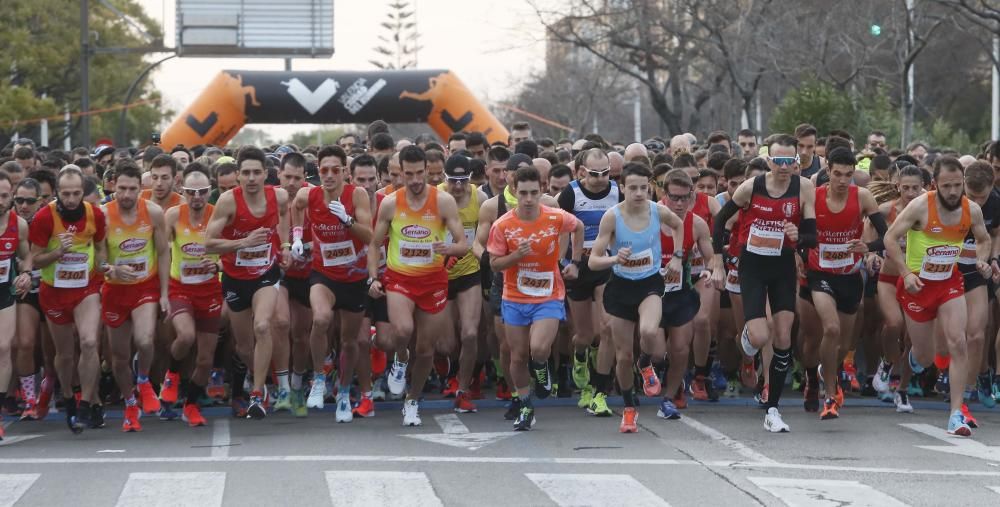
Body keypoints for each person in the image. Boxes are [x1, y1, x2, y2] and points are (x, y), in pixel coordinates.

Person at [710, 134, 817, 433]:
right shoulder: (752, 187)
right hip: (753, 266)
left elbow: (812, 236)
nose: (784, 167)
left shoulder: (804, 187)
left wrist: (799, 236)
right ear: (769, 160)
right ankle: (746, 347)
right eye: (778, 161)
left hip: (782, 267)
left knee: (782, 338)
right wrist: (717, 260)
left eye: (789, 161)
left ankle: (773, 409)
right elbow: (720, 222)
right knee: (759, 336)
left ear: (797, 162)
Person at [884, 156, 993, 437]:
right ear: (934, 185)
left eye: (958, 185)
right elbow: (889, 239)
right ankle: (909, 366)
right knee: (926, 356)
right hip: (917, 286)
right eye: (947, 186)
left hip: (948, 283)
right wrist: (907, 273)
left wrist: (982, 260)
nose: (954, 192)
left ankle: (956, 414)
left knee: (959, 342)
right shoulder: (920, 206)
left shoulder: (972, 210)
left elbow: (983, 239)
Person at [368, 145, 468, 426]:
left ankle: (412, 400)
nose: (413, 180)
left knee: (426, 349)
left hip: (433, 281)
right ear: (399, 173)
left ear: (427, 171)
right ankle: (400, 359)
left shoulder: (443, 201)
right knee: (403, 330)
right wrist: (373, 277)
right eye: (407, 174)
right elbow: (374, 245)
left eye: (418, 173)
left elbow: (463, 245)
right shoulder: (391, 203)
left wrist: (448, 247)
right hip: (400, 279)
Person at [588, 163, 687, 432]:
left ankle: (645, 364)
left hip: (649, 284)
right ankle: (629, 409)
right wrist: (613, 258)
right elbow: (593, 261)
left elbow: (679, 225)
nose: (639, 193)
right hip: (620, 288)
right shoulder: (612, 216)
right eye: (633, 188)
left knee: (650, 334)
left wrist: (677, 257)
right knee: (622, 357)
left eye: (644, 188)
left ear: (650, 188)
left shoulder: (658, 211)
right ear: (622, 188)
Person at [487, 165, 583, 430]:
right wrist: (515, 256)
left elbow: (579, 227)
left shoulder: (554, 217)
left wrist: (574, 262)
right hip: (514, 297)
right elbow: (494, 264)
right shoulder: (503, 225)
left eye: (533, 193)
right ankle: (526, 405)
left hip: (548, 294)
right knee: (517, 356)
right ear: (514, 192)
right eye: (523, 193)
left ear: (541, 191)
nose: (528, 199)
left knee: (539, 348)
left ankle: (541, 368)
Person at [206, 146, 291, 420]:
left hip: (265, 274)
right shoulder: (228, 201)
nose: (252, 178)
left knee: (263, 325)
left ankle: (256, 394)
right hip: (234, 278)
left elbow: (284, 217)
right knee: (243, 346)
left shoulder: (277, 196)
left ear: (266, 174)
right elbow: (208, 243)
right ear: (238, 176)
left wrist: (286, 244)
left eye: (257, 172)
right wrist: (243, 242)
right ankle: (261, 381)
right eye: (246, 173)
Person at [802, 148, 886, 420]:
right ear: (827, 170)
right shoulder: (813, 198)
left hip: (849, 276)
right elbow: (797, 233)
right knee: (831, 328)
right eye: (837, 174)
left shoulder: (862, 197)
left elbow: (887, 235)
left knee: (843, 343)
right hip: (819, 274)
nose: (842, 180)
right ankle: (827, 392)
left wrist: (869, 246)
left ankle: (823, 373)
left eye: (848, 175)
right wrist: (799, 254)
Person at [292, 145, 372, 423]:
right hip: (323, 274)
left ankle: (344, 393)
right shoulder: (309, 194)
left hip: (354, 277)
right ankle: (318, 378)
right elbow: (296, 207)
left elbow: (370, 236)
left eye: (334, 170)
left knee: (350, 341)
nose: (328, 175)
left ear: (345, 172)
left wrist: (347, 220)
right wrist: (298, 237)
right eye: (323, 170)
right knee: (322, 318)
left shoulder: (357, 195)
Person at [29, 166, 109, 433]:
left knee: (88, 341)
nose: (72, 199)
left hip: (85, 287)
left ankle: (86, 403)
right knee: (64, 354)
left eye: (76, 193)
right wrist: (57, 252)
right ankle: (68, 396)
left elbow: (99, 247)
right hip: (54, 291)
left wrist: (104, 265)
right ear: (57, 192)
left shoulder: (94, 214)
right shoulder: (44, 218)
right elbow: (35, 259)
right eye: (66, 194)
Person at [101, 162, 171, 432]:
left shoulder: (153, 212)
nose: (127, 195)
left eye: (133, 189)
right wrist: (112, 269)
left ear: (141, 190)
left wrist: (164, 293)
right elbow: (97, 260)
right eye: (122, 189)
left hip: (145, 287)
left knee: (145, 339)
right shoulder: (103, 216)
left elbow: (164, 252)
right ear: (113, 186)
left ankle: (143, 379)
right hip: (115, 290)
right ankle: (130, 403)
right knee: (118, 357)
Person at [560, 148, 622, 417]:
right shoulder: (570, 193)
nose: (600, 178)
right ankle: (580, 356)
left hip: (605, 265)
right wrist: (567, 264)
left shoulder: (617, 192)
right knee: (585, 335)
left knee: (607, 329)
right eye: (594, 173)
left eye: (605, 172)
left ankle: (598, 390)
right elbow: (561, 229)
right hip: (578, 267)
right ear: (582, 171)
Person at [162, 166, 223, 427]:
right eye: (190, 192)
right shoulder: (173, 215)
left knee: (205, 358)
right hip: (181, 288)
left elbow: (229, 250)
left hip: (209, 290)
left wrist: (218, 265)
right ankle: (172, 375)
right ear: (182, 191)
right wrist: (162, 293)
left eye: (202, 192)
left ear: (210, 191)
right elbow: (162, 253)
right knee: (185, 337)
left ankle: (191, 404)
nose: (196, 197)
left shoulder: (219, 215)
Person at [871, 166, 925, 412]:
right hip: (889, 278)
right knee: (893, 324)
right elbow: (868, 228)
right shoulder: (886, 210)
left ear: (924, 186)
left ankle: (902, 389)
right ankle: (886, 362)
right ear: (897, 187)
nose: (911, 193)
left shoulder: (929, 211)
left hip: (919, 282)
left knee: (913, 338)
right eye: (906, 188)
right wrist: (870, 254)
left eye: (916, 188)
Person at [439, 154, 489, 413]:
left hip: (469, 272)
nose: (457, 187)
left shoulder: (479, 199)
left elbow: (482, 239)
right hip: (439, 276)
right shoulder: (435, 197)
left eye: (462, 180)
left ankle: (463, 388)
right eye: (452, 181)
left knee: (470, 333)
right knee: (447, 343)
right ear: (443, 178)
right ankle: (450, 370)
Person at [0, 173, 33, 440]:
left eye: (4, 195)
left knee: (3, 348)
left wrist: (26, 273)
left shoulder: (18, 224)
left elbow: (26, 257)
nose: (0, 201)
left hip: (4, 294)